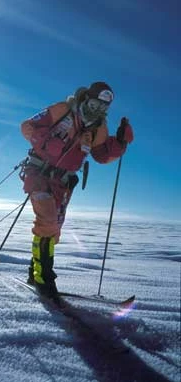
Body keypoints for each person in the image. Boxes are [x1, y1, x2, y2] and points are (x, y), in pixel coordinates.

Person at [20, 81, 133, 302]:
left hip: (63, 183)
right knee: (48, 222)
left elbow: (101, 155)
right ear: (86, 98)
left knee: (54, 230)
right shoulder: (63, 110)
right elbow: (28, 127)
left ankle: (35, 272)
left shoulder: (99, 128)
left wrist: (119, 143)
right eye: (94, 103)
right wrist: (45, 143)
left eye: (103, 107)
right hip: (40, 174)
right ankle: (44, 280)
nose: (97, 110)